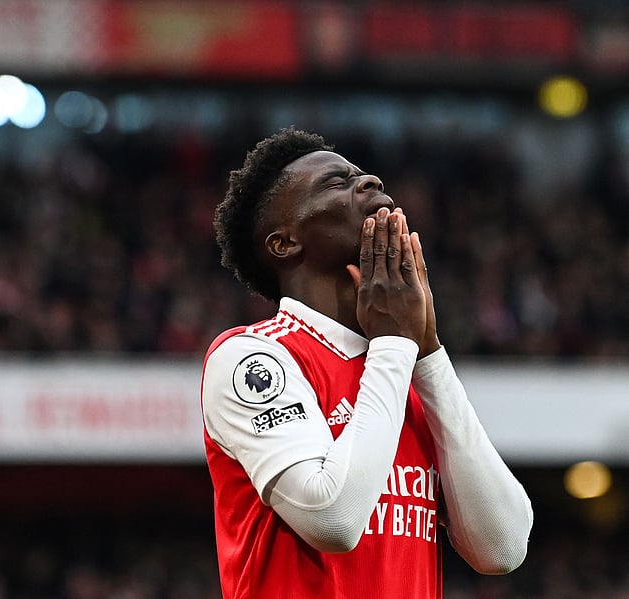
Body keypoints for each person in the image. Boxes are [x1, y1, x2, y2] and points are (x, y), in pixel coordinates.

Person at [200, 128, 533, 598]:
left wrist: (429, 354)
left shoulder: (403, 375)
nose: (369, 181)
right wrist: (397, 343)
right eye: (335, 184)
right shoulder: (253, 356)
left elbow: (503, 548)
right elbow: (333, 519)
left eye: (361, 174)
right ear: (284, 243)